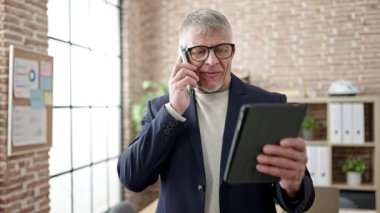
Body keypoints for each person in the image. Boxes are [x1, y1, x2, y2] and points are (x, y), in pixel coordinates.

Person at [118, 8, 315, 213]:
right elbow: (132, 177)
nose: (212, 62)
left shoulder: (269, 103)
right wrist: (173, 111)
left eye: (221, 49)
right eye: (200, 51)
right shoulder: (161, 109)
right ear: (183, 55)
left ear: (233, 52)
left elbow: (299, 198)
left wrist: (293, 186)